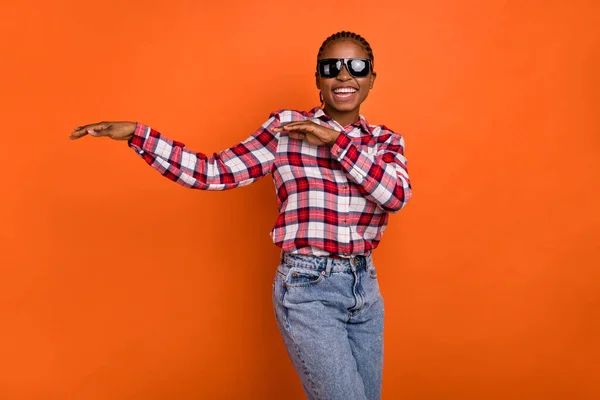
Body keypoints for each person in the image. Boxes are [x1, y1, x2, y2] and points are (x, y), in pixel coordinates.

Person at [69, 31, 411, 400]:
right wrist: (140, 135)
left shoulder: (385, 141)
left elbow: (395, 196)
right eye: (331, 68)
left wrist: (334, 141)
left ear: (371, 78)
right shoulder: (287, 131)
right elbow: (212, 172)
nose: (344, 76)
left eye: (356, 66)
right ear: (318, 79)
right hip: (308, 288)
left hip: (365, 289)